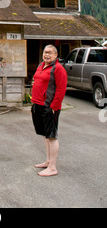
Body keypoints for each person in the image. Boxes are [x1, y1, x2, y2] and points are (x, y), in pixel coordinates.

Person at [31, 44, 67, 177]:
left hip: (49, 107)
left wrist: (54, 107)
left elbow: (61, 89)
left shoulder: (58, 69)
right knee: (45, 135)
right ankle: (48, 161)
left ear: (56, 55)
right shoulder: (41, 65)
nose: (47, 54)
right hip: (38, 104)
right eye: (45, 52)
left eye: (50, 53)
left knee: (51, 136)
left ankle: (53, 167)